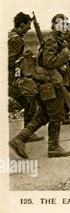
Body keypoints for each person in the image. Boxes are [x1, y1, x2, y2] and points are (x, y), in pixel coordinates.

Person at [9, 14, 70, 158]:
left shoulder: (56, 40)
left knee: (43, 115)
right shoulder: (52, 41)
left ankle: (19, 139)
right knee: (56, 115)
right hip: (49, 84)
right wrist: (64, 55)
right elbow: (49, 61)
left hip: (47, 83)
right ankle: (53, 147)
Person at [8, 12, 44, 142]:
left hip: (10, 79)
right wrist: (23, 58)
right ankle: (27, 134)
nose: (29, 29)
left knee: (29, 103)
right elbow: (9, 61)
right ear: (22, 24)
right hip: (12, 80)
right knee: (30, 102)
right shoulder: (16, 39)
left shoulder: (11, 36)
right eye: (28, 26)